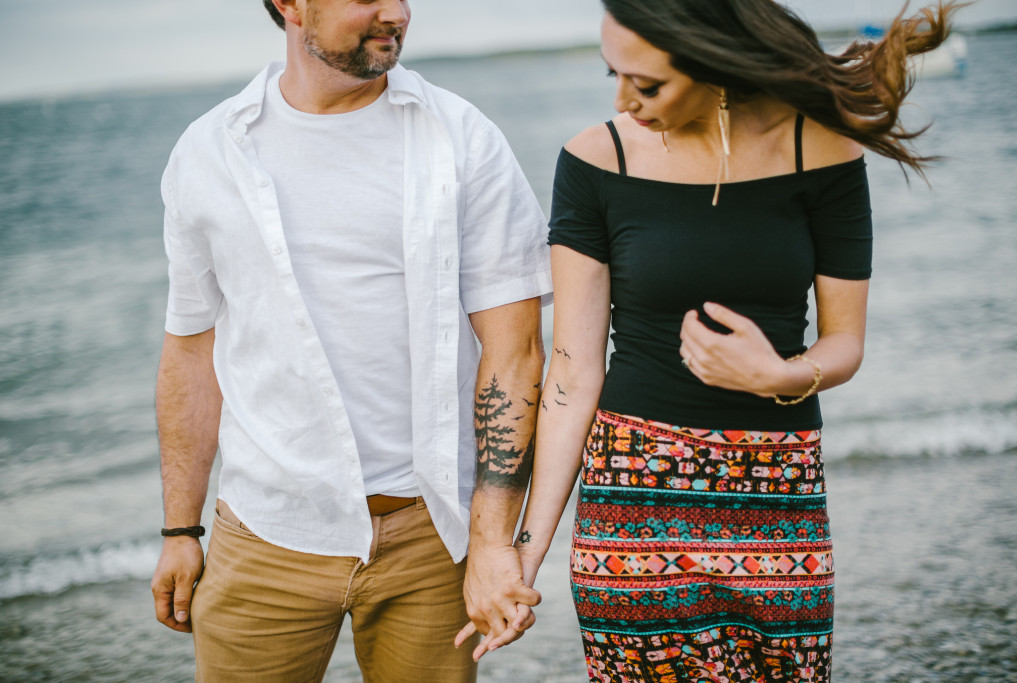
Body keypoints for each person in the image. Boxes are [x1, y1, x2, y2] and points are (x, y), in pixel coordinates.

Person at [472, 0, 959, 680]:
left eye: (647, 84)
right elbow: (572, 373)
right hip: (633, 498)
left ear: (711, 63)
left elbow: (845, 342)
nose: (624, 99)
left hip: (779, 488)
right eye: (614, 74)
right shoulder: (594, 161)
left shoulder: (818, 147)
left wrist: (777, 375)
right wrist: (521, 553)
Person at [149, 0, 551, 680]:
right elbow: (191, 351)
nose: (395, 12)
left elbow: (515, 354)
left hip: (430, 538)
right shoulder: (209, 151)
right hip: (265, 532)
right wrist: (180, 530)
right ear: (291, 5)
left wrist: (490, 542)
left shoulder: (462, 139)